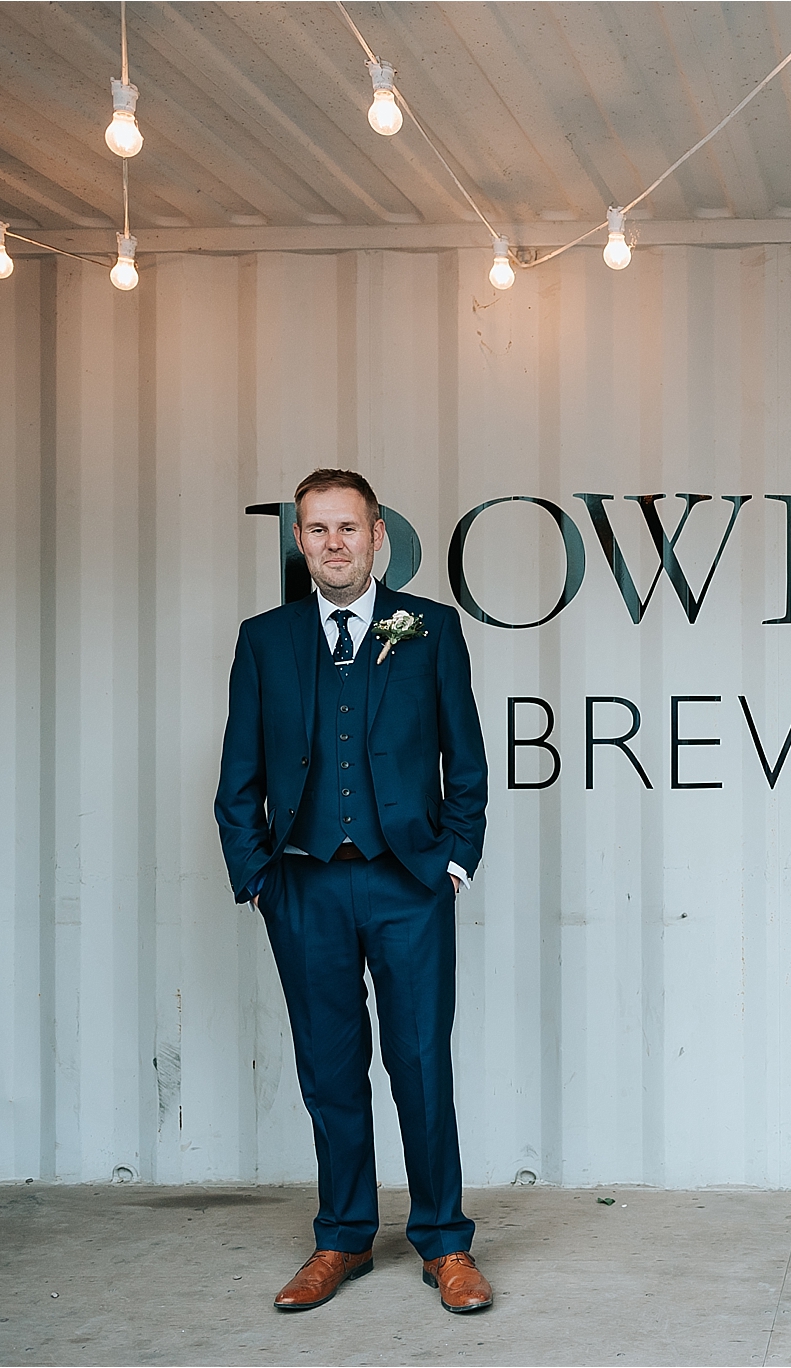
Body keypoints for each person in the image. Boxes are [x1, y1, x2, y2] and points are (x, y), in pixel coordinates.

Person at [214, 468, 492, 1314]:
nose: (334, 544)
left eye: (348, 528)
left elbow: (467, 762)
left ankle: (444, 1244)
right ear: (299, 541)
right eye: (317, 530)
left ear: (378, 535)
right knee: (329, 1070)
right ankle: (341, 1238)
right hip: (303, 887)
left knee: (418, 1065)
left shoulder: (431, 630)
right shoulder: (265, 640)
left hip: (407, 882)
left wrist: (453, 859)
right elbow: (238, 777)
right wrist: (258, 877)